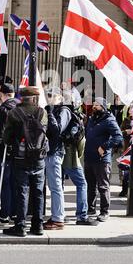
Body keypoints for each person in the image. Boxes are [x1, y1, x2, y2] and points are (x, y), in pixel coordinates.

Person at [3, 86, 47, 237]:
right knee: (38, 192)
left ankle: (20, 226)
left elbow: (6, 138)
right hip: (39, 158)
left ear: (22, 98)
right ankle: (38, 225)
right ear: (35, 98)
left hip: (21, 157)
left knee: (22, 191)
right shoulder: (42, 112)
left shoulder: (14, 113)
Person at [84, 97, 123, 222]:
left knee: (103, 186)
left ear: (103, 107)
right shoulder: (91, 119)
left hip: (102, 159)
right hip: (89, 157)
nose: (94, 106)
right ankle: (90, 208)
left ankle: (104, 212)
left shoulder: (109, 120)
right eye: (94, 104)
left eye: (97, 105)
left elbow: (118, 137)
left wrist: (104, 146)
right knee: (90, 185)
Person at [0, 83, 19, 224]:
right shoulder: (20, 107)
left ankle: (5, 213)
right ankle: (13, 212)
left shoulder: (3, 109)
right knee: (13, 183)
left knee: (4, 184)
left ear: (2, 94)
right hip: (17, 152)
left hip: (2, 152)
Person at [44, 87, 71, 230]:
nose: (50, 98)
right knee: (52, 186)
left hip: (55, 152)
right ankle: (55, 215)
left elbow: (57, 130)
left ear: (60, 98)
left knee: (56, 187)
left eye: (53, 96)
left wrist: (49, 111)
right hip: (47, 152)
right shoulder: (51, 110)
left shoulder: (64, 111)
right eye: (48, 95)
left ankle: (58, 218)